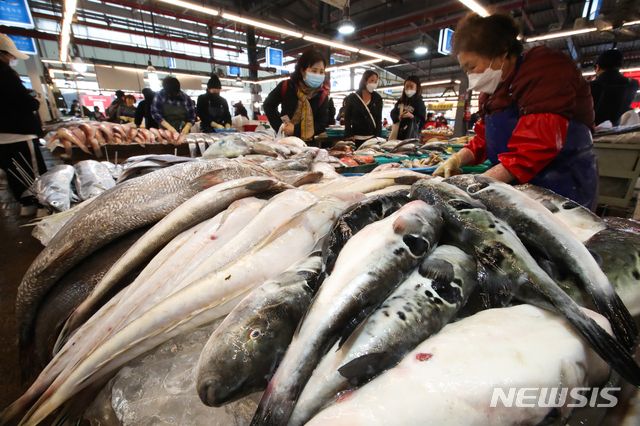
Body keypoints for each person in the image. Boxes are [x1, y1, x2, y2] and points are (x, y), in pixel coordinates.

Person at [434, 12, 598, 210]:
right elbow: (485, 138)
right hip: (514, 183)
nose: (470, 76)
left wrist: (482, 183)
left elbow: (538, 144)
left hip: (562, 184)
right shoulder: (492, 91)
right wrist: (459, 157)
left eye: (472, 66)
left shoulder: (545, 69)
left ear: (501, 52)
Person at [0, 33, 47, 217]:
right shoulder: (6, 76)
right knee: (34, 172)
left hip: (2, 139)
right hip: (21, 135)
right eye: (11, 56)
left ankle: (26, 205)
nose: (12, 60)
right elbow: (26, 104)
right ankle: (43, 207)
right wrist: (33, 100)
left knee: (14, 172)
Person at [264, 49, 331, 143]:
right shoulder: (287, 86)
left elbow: (321, 124)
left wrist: (295, 130)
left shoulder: (322, 95)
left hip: (308, 145)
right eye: (314, 71)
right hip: (284, 141)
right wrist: (280, 126)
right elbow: (268, 104)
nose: (318, 75)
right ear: (303, 71)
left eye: (321, 72)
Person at [590, 49, 639, 126]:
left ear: (598, 67)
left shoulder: (591, 86)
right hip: (615, 130)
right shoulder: (633, 84)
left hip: (592, 130)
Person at [344, 70, 382, 146]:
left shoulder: (377, 98)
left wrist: (378, 136)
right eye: (372, 80)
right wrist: (349, 134)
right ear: (364, 81)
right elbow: (347, 117)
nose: (374, 83)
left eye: (376, 81)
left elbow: (379, 119)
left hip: (372, 138)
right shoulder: (352, 97)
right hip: (356, 137)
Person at [390, 75, 426, 140]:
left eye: (411, 87)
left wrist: (412, 117)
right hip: (397, 135)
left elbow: (422, 121)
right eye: (407, 86)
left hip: (410, 136)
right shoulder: (401, 101)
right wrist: (398, 117)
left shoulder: (419, 103)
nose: (408, 89)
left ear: (417, 88)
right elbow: (393, 113)